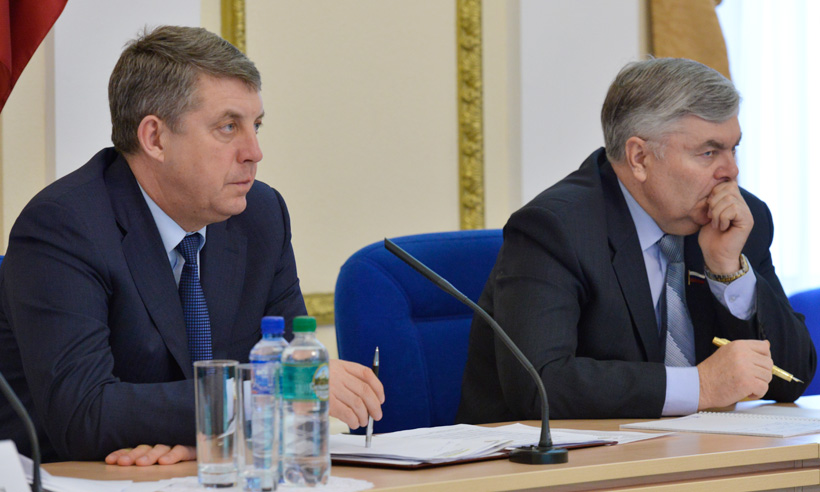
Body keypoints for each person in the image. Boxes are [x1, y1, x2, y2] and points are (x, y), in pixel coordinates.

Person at [0, 25, 384, 465]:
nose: (254, 152)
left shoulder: (260, 216)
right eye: (228, 127)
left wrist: (207, 439)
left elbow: (292, 373)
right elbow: (84, 413)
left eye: (256, 126)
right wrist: (258, 395)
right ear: (155, 138)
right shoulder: (65, 226)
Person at [457, 58, 816, 423]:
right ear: (639, 157)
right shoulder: (555, 228)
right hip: (551, 454)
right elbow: (540, 383)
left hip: (691, 448)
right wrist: (701, 386)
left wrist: (728, 271)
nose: (731, 171)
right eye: (709, 153)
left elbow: (793, 378)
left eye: (733, 149)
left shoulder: (737, 220)